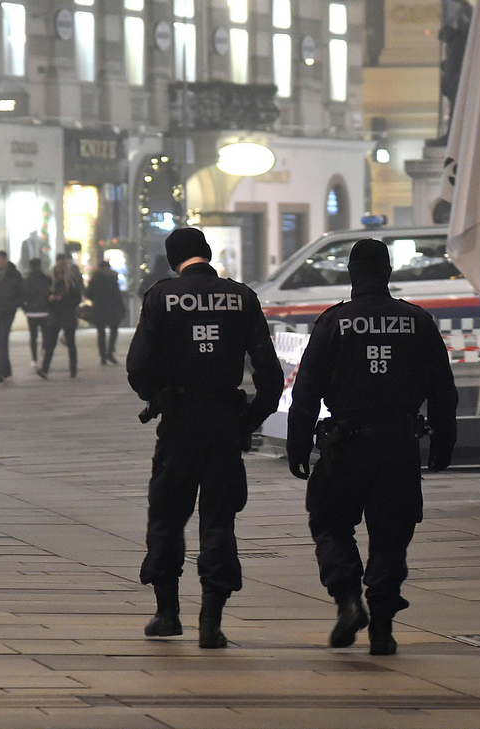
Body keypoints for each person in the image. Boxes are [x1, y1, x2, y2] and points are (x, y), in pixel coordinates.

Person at [286, 239, 458, 656]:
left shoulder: (333, 323)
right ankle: (382, 625)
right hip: (398, 446)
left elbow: (306, 391)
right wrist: (444, 439)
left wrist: (297, 444)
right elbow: (442, 389)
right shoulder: (417, 321)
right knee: (391, 534)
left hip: (345, 445)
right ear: (388, 273)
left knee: (329, 523)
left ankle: (347, 599)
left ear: (351, 274)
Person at [127, 227, 283, 648]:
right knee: (219, 520)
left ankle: (167, 614)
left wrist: (158, 396)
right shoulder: (241, 297)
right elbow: (271, 377)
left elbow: (137, 366)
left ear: (172, 258)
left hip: (178, 424)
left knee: (166, 516)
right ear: (208, 254)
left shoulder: (160, 297)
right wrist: (247, 420)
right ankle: (212, 622)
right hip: (222, 425)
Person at [38, 258, 83, 379]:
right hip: (54, 315)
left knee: (70, 343)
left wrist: (62, 299)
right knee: (50, 343)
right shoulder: (50, 282)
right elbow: (44, 298)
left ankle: (73, 369)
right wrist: (50, 299)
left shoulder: (72, 283)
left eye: (61, 272)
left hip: (68, 315)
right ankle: (44, 369)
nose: (59, 275)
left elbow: (77, 299)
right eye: (57, 272)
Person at [0, 251, 25, 383]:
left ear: (6, 260)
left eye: (3, 259)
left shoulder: (14, 275)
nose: (0, 261)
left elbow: (21, 293)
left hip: (8, 312)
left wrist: (13, 305)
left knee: (3, 340)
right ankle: (6, 369)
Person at [87, 260, 127, 365]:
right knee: (114, 329)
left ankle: (103, 356)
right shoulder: (112, 278)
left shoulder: (94, 278)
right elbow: (117, 294)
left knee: (101, 332)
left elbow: (88, 293)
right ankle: (110, 351)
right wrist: (121, 306)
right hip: (112, 307)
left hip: (99, 307)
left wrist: (95, 299)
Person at [21, 258, 51, 366]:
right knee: (45, 334)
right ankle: (43, 351)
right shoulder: (46, 279)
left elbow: (22, 295)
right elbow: (49, 293)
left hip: (31, 312)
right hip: (44, 311)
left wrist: (25, 309)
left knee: (33, 336)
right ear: (40, 265)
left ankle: (34, 358)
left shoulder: (26, 280)